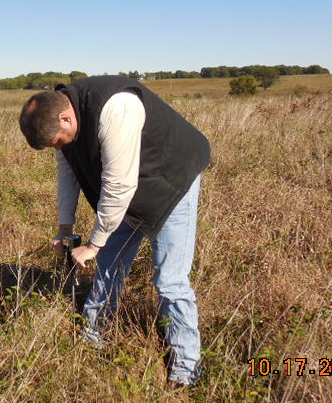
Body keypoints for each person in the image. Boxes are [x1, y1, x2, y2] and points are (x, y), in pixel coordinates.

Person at [18, 75, 210, 387]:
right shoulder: (63, 120)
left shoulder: (116, 107)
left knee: (170, 280)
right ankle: (95, 338)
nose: (60, 147)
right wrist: (65, 227)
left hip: (172, 179)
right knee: (110, 265)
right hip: (126, 187)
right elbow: (68, 172)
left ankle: (187, 371)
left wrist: (94, 244)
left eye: (58, 140)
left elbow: (119, 186)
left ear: (65, 117)